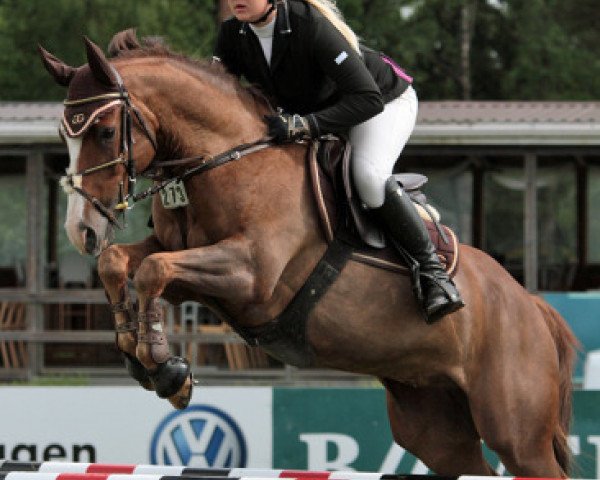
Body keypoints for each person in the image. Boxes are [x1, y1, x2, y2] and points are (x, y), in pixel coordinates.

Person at [213, 0, 464, 323]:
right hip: (324, 111)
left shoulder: (310, 26)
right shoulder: (233, 34)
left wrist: (305, 126)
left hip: (382, 101)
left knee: (369, 177)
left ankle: (433, 275)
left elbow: (367, 98)